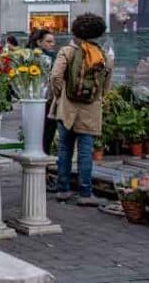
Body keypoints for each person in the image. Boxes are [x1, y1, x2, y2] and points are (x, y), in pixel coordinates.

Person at [50, 13, 112, 206]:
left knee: (64, 149)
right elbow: (106, 85)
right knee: (86, 151)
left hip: (67, 108)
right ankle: (86, 193)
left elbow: (55, 76)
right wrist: (98, 97)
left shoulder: (67, 51)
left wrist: (60, 96)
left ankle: (63, 190)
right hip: (90, 109)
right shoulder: (104, 55)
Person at [26, 29, 60, 160]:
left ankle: (43, 165)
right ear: (39, 42)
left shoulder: (52, 57)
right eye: (49, 41)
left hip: (47, 100)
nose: (52, 44)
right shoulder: (36, 58)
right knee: (42, 135)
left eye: (53, 41)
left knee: (46, 135)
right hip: (40, 100)